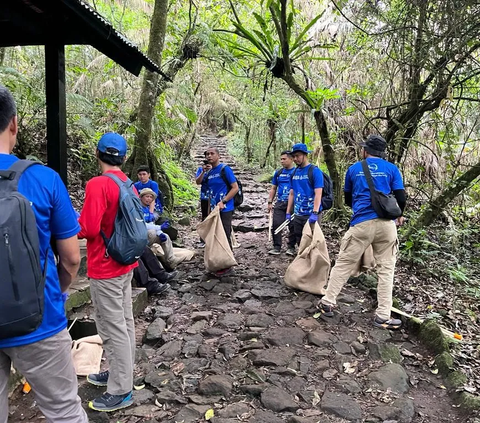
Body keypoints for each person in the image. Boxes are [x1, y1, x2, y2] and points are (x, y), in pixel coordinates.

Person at [0, 85, 88, 422]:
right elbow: (71, 258)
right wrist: (60, 292)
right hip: (40, 321)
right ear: (14, 124)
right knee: (63, 409)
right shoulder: (43, 178)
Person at [319, 135, 406, 330]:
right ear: (382, 153)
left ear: (365, 151)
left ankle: (328, 302)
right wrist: (399, 214)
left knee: (343, 264)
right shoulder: (392, 169)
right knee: (386, 271)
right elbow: (400, 196)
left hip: (361, 223)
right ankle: (383, 316)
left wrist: (361, 207)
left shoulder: (354, 169)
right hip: (386, 225)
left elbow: (348, 198)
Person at [78, 132, 137, 412]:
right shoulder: (127, 182)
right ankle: (120, 373)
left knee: (113, 329)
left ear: (97, 153)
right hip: (125, 263)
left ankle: (121, 389)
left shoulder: (98, 184)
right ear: (123, 158)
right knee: (124, 323)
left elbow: (87, 229)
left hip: (105, 266)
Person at [205, 146, 239, 275]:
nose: (209, 156)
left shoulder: (225, 169)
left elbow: (234, 188)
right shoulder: (209, 173)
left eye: (212, 153)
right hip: (214, 209)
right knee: (215, 235)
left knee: (224, 234)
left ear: (218, 156)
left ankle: (228, 264)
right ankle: (218, 261)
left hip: (226, 208)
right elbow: (209, 192)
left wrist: (224, 201)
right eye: (207, 154)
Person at [286, 143, 324, 255]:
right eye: (294, 156)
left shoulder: (314, 171)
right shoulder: (294, 173)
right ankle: (303, 261)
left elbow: (318, 193)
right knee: (300, 238)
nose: (295, 159)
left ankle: (314, 264)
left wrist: (315, 213)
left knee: (313, 240)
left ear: (305, 155)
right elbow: (292, 193)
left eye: (298, 156)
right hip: (298, 213)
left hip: (311, 213)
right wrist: (288, 212)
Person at [139, 188, 177, 270]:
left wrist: (160, 232)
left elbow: (152, 224)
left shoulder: (148, 209)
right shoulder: (137, 208)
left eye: (150, 197)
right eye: (147, 196)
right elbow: (142, 224)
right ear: (141, 197)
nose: (149, 199)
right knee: (152, 232)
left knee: (165, 237)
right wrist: (159, 227)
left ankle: (170, 262)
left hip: (149, 234)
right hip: (140, 236)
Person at [267, 150, 296, 255]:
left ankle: (291, 247)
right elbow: (274, 188)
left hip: (293, 203)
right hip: (280, 202)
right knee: (276, 224)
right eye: (281, 159)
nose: (282, 161)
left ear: (291, 159)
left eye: (284, 159)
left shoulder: (296, 172)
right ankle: (276, 247)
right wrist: (270, 201)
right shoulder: (278, 173)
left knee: (293, 226)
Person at [195, 151, 212, 247]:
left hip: (215, 197)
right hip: (204, 196)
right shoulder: (200, 170)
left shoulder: (217, 170)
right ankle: (203, 239)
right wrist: (203, 172)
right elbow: (198, 182)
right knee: (205, 217)